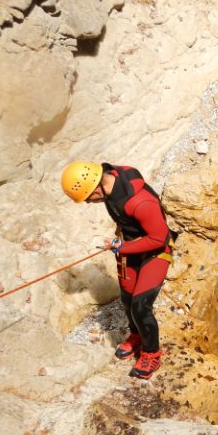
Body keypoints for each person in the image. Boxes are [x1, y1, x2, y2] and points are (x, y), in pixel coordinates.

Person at [61, 161, 175, 380]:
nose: (88, 203)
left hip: (155, 252)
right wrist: (122, 240)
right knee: (127, 299)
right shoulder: (109, 181)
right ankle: (136, 336)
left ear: (96, 188)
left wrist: (123, 247)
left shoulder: (140, 202)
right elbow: (122, 216)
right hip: (131, 248)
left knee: (141, 306)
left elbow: (159, 238)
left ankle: (152, 354)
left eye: (88, 198)